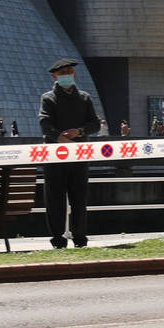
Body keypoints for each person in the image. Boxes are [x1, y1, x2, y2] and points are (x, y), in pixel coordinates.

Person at [38, 58, 101, 248]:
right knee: (55, 197)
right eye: (62, 72)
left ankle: (80, 238)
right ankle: (58, 239)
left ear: (74, 74)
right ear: (54, 76)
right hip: (55, 156)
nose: (66, 75)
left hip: (79, 155)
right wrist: (59, 137)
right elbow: (44, 123)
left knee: (79, 197)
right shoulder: (48, 98)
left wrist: (79, 132)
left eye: (69, 72)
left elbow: (95, 124)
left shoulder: (84, 97)